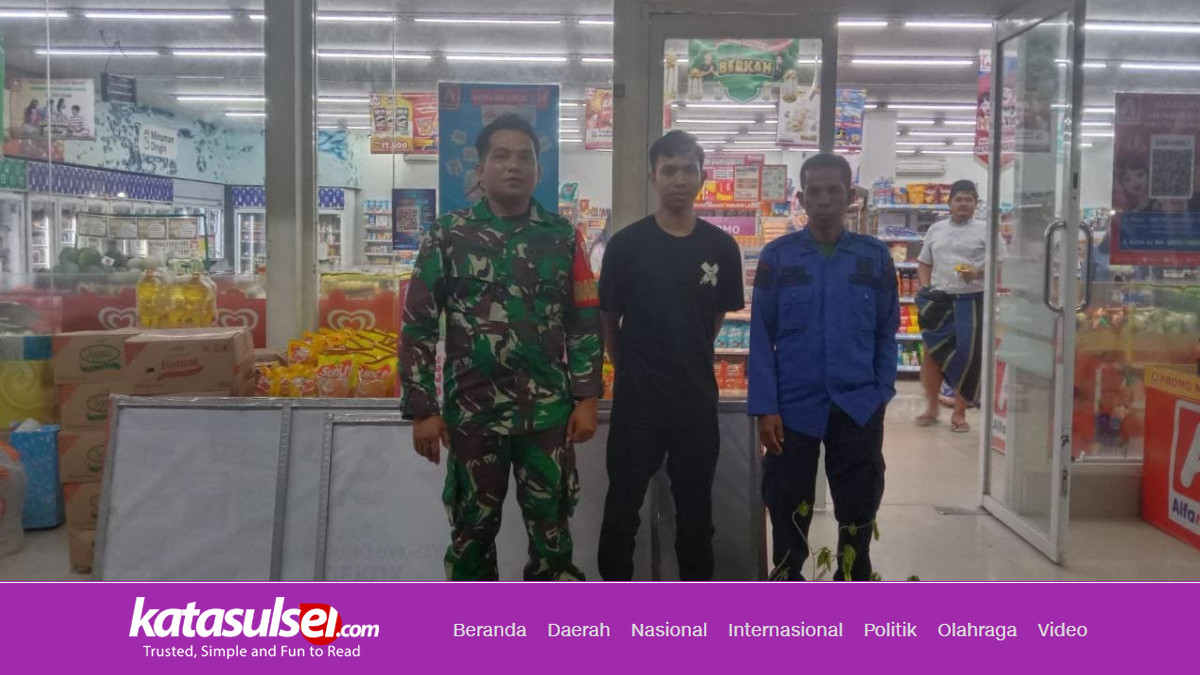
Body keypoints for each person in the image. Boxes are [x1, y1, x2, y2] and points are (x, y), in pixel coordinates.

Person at [399, 113, 603, 582]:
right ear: (480, 169)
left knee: (552, 536)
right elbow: (418, 325)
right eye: (502, 156)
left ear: (538, 170)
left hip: (547, 414)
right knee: (471, 536)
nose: (514, 166)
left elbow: (584, 322)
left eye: (525, 157)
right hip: (474, 414)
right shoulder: (447, 235)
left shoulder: (562, 237)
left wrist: (588, 397)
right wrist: (422, 409)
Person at [597, 130, 744, 581]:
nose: (679, 179)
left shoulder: (721, 248)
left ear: (702, 176)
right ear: (652, 177)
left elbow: (714, 318)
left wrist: (686, 353)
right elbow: (608, 319)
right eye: (669, 170)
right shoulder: (627, 246)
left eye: (688, 170)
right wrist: (629, 367)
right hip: (637, 402)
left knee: (696, 511)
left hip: (695, 401)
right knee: (622, 507)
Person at [749, 153, 899, 581]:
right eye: (815, 191)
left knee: (859, 503)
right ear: (801, 198)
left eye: (835, 190)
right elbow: (761, 335)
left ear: (851, 196)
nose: (825, 199)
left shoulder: (874, 258)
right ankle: (787, 580)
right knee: (786, 502)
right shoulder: (778, 257)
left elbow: (886, 331)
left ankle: (852, 580)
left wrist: (881, 391)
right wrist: (765, 406)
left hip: (858, 403)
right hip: (792, 406)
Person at [914, 179, 989, 433]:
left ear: (976, 203)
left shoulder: (986, 230)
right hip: (939, 300)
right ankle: (931, 408)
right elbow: (924, 263)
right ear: (949, 203)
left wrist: (978, 272)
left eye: (969, 199)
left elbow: (1000, 263)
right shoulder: (936, 229)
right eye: (959, 199)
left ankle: (959, 413)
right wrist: (925, 289)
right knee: (932, 354)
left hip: (972, 301)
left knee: (968, 357)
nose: (963, 204)